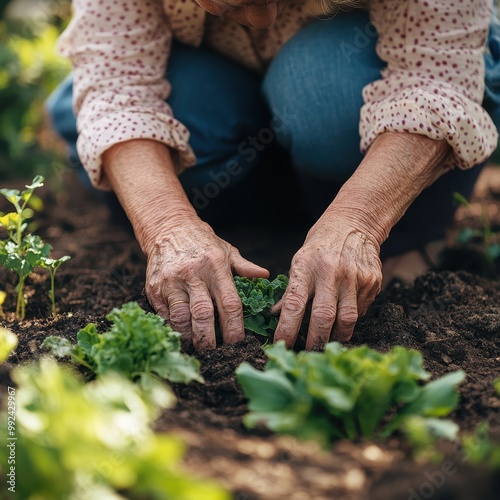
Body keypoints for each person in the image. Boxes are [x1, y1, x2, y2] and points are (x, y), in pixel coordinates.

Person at [47, 0, 500, 350]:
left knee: (318, 92)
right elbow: (117, 89)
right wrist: (168, 227)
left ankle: (405, 229)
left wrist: (359, 223)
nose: (262, 18)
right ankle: (279, 206)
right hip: (220, 78)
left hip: (347, 68)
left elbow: (434, 77)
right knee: (101, 114)